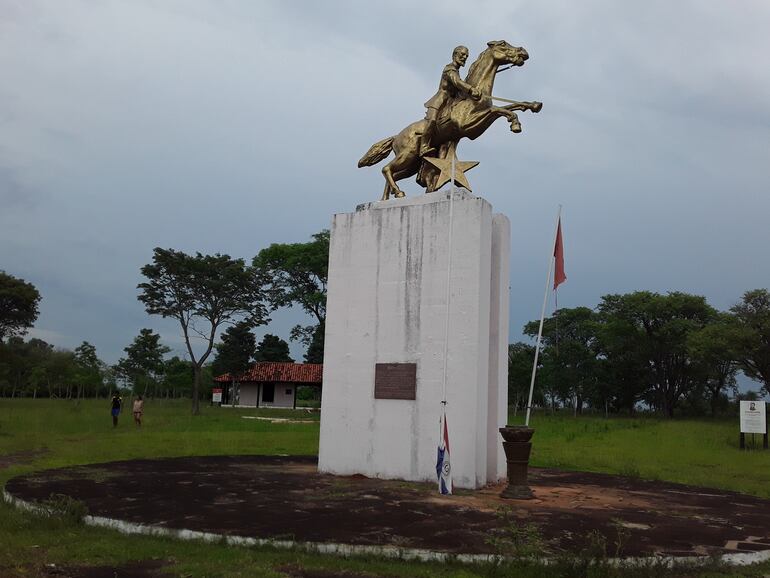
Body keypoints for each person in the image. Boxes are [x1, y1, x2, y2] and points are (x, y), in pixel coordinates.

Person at [420, 45, 482, 158]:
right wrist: (470, 89)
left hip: (451, 101)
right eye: (462, 54)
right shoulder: (449, 69)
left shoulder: (457, 71)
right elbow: (457, 82)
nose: (464, 57)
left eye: (466, 56)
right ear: (454, 55)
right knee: (432, 120)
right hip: (440, 100)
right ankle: (423, 146)